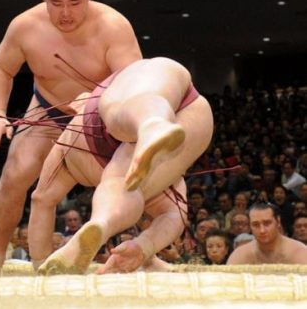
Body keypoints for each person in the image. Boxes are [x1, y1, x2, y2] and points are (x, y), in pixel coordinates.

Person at [0, 0, 142, 272]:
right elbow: (1, 69)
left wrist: (97, 100)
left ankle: (147, 254)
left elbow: (134, 82)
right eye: (56, 3)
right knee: (14, 174)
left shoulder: (114, 26)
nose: (65, 13)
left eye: (74, 3)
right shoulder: (25, 26)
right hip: (47, 111)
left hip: (102, 117)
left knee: (140, 181)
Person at [28, 57, 214, 274]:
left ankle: (102, 222)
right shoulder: (122, 84)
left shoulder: (65, 150)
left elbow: (41, 200)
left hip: (93, 136)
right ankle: (152, 123)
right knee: (163, 205)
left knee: (119, 175)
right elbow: (175, 217)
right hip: (195, 115)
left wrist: (39, 263)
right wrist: (144, 247)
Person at [227, 202, 307, 264]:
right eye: (256, 225)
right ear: (250, 226)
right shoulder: (240, 255)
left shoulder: (300, 253)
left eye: (267, 223)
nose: (262, 230)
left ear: (278, 222)